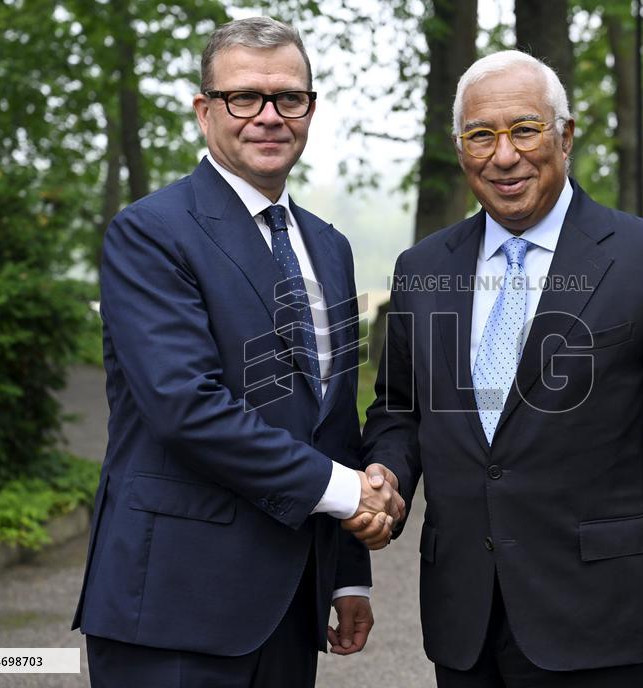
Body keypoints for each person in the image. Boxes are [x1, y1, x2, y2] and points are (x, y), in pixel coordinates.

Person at [346, 50, 643, 687]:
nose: (504, 155)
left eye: (525, 129)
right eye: (480, 135)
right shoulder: (423, 268)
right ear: (460, 148)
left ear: (566, 135)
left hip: (601, 613)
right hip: (465, 618)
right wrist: (387, 477)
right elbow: (398, 410)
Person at [72, 17, 403, 688]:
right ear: (204, 110)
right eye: (244, 97)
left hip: (288, 611)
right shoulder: (150, 234)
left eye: (289, 97)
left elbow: (330, 416)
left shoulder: (329, 247)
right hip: (173, 609)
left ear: (310, 108)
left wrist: (347, 579)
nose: (269, 116)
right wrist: (349, 494)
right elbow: (186, 407)